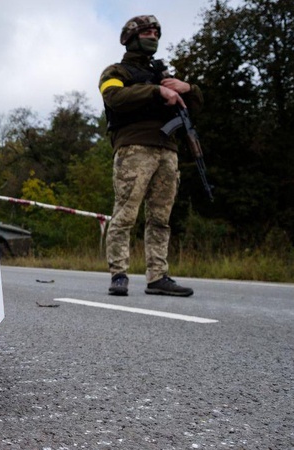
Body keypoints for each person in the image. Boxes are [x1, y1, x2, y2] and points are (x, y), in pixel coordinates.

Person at [99, 15, 203, 297]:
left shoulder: (163, 74)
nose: (153, 36)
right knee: (125, 213)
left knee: (160, 218)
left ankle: (158, 276)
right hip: (134, 148)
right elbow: (115, 98)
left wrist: (188, 88)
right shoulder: (116, 72)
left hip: (168, 151)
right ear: (131, 38)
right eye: (147, 32)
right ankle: (118, 274)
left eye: (156, 33)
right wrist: (156, 91)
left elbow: (195, 106)